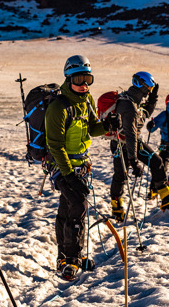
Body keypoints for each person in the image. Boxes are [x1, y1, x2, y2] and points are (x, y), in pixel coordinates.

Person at [45, 55, 117, 281]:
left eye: (88, 78)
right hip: (61, 164)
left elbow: (92, 129)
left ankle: (66, 256)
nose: (84, 84)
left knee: (69, 209)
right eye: (78, 78)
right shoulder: (58, 107)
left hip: (81, 165)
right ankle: (72, 259)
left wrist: (106, 126)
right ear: (68, 78)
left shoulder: (86, 101)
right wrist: (67, 176)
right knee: (77, 205)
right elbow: (55, 145)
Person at [109, 72, 169, 220]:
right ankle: (117, 207)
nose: (150, 91)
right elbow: (131, 134)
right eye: (150, 89)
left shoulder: (134, 100)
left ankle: (166, 199)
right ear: (142, 86)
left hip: (131, 143)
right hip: (123, 144)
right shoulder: (129, 105)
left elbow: (144, 114)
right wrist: (133, 161)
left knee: (156, 162)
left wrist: (153, 99)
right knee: (121, 175)